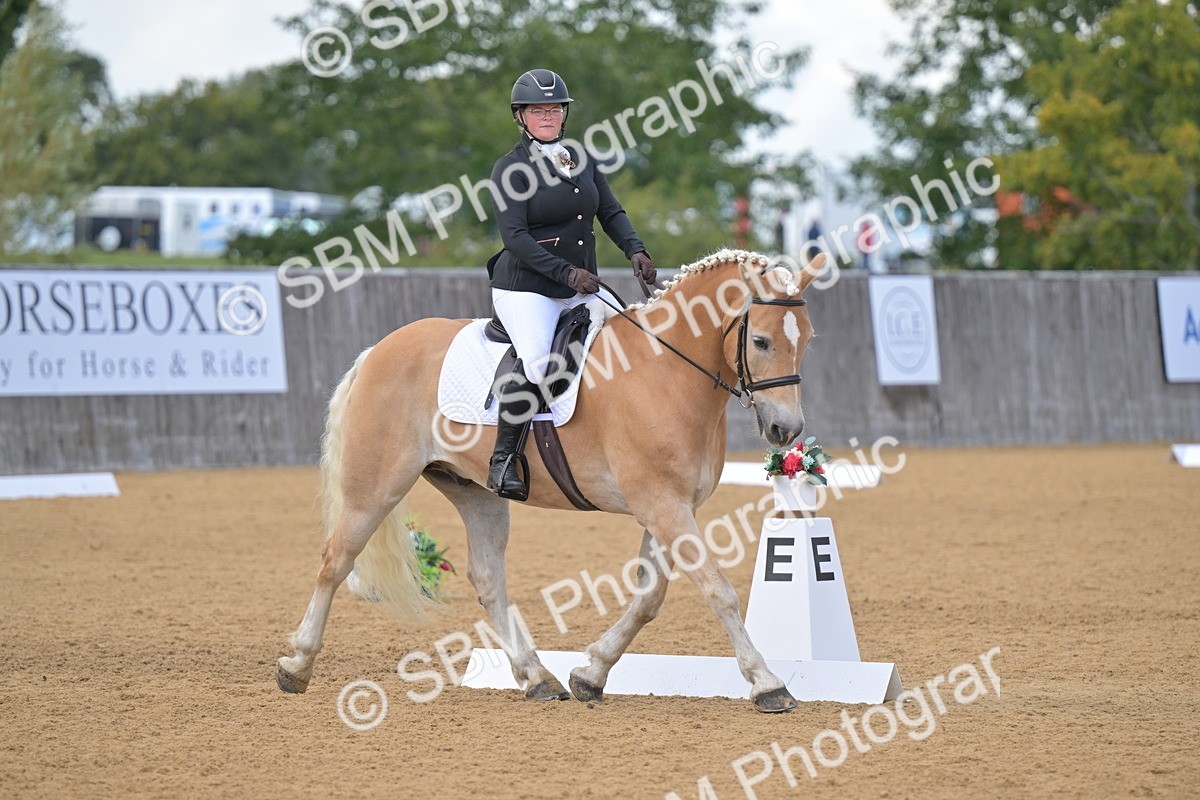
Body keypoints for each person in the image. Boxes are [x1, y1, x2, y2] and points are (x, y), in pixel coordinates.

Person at [484, 68, 656, 500]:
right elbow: (515, 238)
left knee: (636, 342)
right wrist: (566, 273)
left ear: (564, 115)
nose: (548, 116)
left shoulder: (579, 157)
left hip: (580, 284)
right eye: (537, 110)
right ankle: (503, 460)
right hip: (527, 288)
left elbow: (610, 211)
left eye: (555, 109)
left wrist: (635, 249)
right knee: (540, 360)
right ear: (520, 116)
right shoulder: (510, 169)